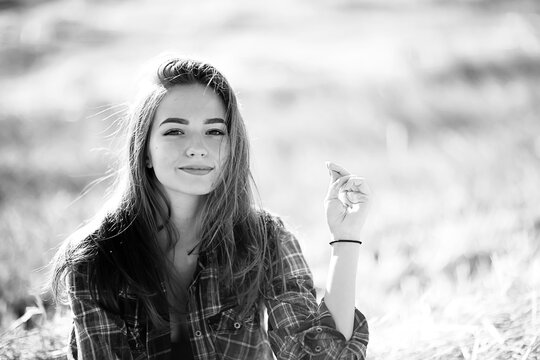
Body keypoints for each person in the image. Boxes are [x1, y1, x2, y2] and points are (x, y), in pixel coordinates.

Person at [51, 57, 371, 359]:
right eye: (175, 130)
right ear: (144, 149)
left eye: (214, 131)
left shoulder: (265, 239)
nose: (197, 148)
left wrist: (346, 237)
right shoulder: (95, 258)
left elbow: (319, 355)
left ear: (232, 146)